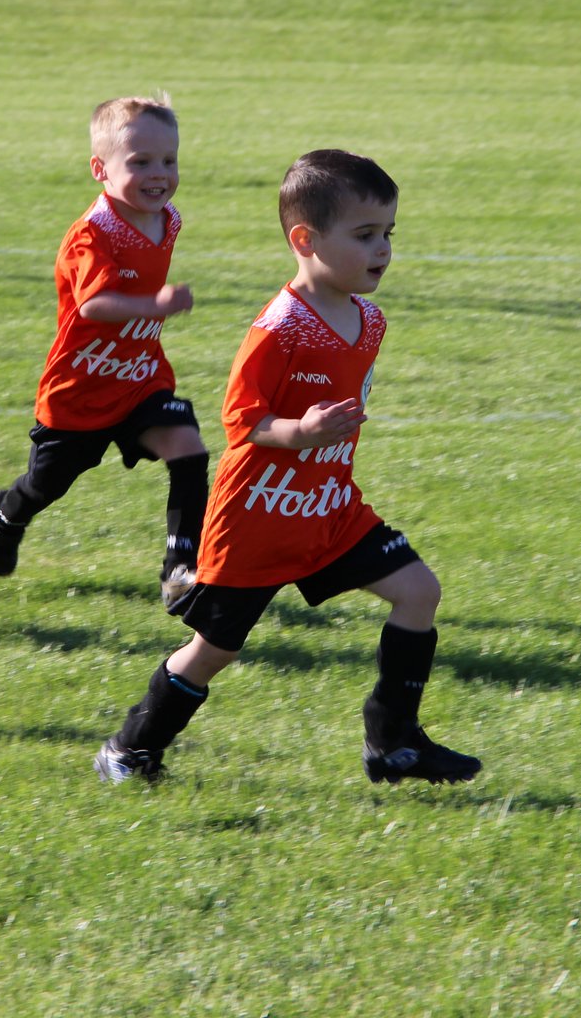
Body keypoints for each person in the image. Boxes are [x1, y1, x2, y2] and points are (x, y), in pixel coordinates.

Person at [94, 149, 481, 786]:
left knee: (419, 593)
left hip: (328, 509)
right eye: (364, 236)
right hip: (259, 517)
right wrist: (300, 431)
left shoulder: (369, 320)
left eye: (388, 234)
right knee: (214, 650)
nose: (382, 249)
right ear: (304, 240)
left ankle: (392, 740)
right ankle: (131, 747)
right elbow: (241, 419)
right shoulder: (279, 328)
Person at [0, 95, 209, 610]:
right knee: (46, 486)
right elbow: (93, 306)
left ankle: (181, 569)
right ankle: (7, 513)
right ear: (99, 169)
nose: (160, 174)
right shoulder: (91, 234)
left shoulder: (165, 218)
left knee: (188, 449)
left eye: (169, 161)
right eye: (141, 162)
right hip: (80, 389)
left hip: (139, 378)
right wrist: (156, 303)